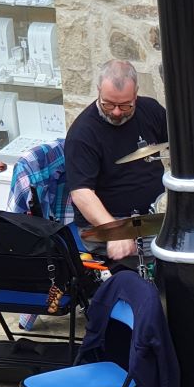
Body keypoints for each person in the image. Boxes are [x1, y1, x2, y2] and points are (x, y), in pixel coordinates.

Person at [65, 59, 168, 266]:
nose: (116, 112)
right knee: (169, 248)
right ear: (98, 91)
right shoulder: (83, 133)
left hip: (151, 216)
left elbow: (180, 145)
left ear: (136, 94)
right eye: (108, 104)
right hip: (108, 223)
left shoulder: (150, 110)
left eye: (125, 105)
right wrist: (115, 231)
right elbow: (81, 193)